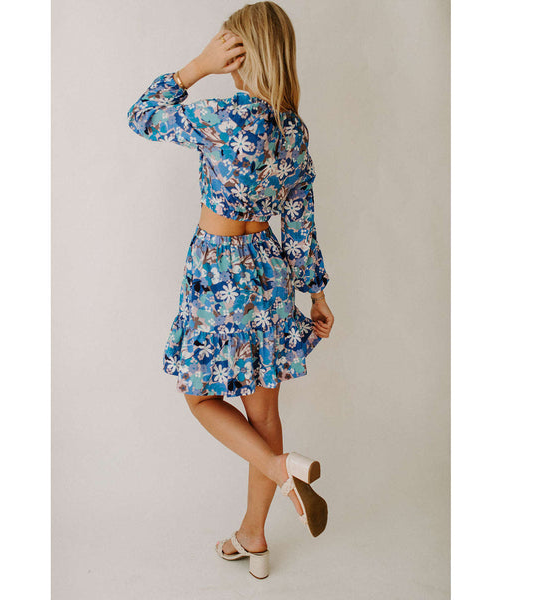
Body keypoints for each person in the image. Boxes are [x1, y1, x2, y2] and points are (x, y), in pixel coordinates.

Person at [127, 1, 334, 579]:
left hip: (218, 270)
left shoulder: (224, 115)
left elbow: (141, 115)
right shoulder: (292, 129)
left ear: (240, 53)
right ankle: (254, 538)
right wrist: (316, 293)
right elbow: (300, 220)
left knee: (199, 398)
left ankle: (282, 470)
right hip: (268, 268)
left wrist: (196, 66)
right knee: (263, 412)